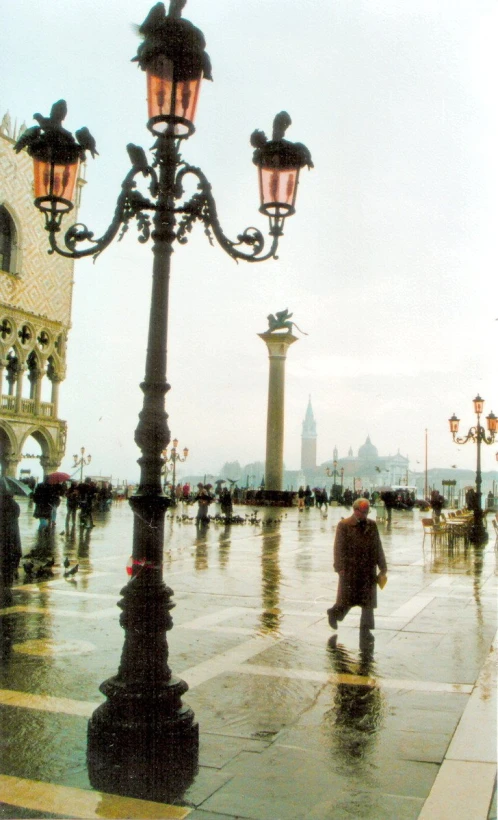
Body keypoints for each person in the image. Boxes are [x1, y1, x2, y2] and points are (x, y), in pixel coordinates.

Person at [327, 498, 387, 639]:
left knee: (368, 602)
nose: (365, 514)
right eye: (363, 511)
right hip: (350, 569)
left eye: (367, 511)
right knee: (347, 600)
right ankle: (334, 614)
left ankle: (366, 630)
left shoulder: (371, 525)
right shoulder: (344, 525)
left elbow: (378, 547)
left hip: (368, 569)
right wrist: (339, 567)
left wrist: (383, 567)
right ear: (355, 510)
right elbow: (338, 548)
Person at [0, 485, 22, 587]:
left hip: (2, 532)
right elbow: (16, 515)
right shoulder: (15, 505)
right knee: (12, 551)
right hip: (12, 532)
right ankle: (11, 573)